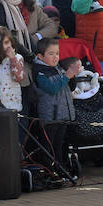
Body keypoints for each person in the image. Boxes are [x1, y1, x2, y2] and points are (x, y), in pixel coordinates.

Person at [32, 37, 75, 171]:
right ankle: (48, 170)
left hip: (62, 115)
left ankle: (60, 169)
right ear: (40, 56)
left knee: (59, 144)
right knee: (49, 145)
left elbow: (69, 88)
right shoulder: (40, 72)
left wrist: (73, 77)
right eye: (51, 54)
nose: (55, 57)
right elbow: (52, 88)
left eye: (57, 53)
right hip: (50, 117)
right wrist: (67, 76)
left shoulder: (58, 68)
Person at [0, 26, 28, 111]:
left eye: (7, 42)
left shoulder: (17, 58)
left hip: (12, 104)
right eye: (1, 43)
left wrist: (13, 59)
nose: (5, 46)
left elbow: (19, 77)